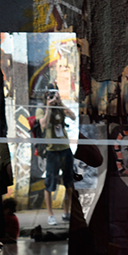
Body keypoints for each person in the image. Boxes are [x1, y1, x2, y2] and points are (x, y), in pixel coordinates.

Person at [37, 87, 76, 226]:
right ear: (45, 94)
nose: (52, 96)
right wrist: (49, 107)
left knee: (69, 183)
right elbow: (44, 124)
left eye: (55, 94)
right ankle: (50, 215)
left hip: (65, 149)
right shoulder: (41, 109)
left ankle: (66, 212)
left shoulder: (60, 107)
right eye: (50, 94)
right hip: (52, 150)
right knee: (50, 184)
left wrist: (61, 103)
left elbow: (73, 116)